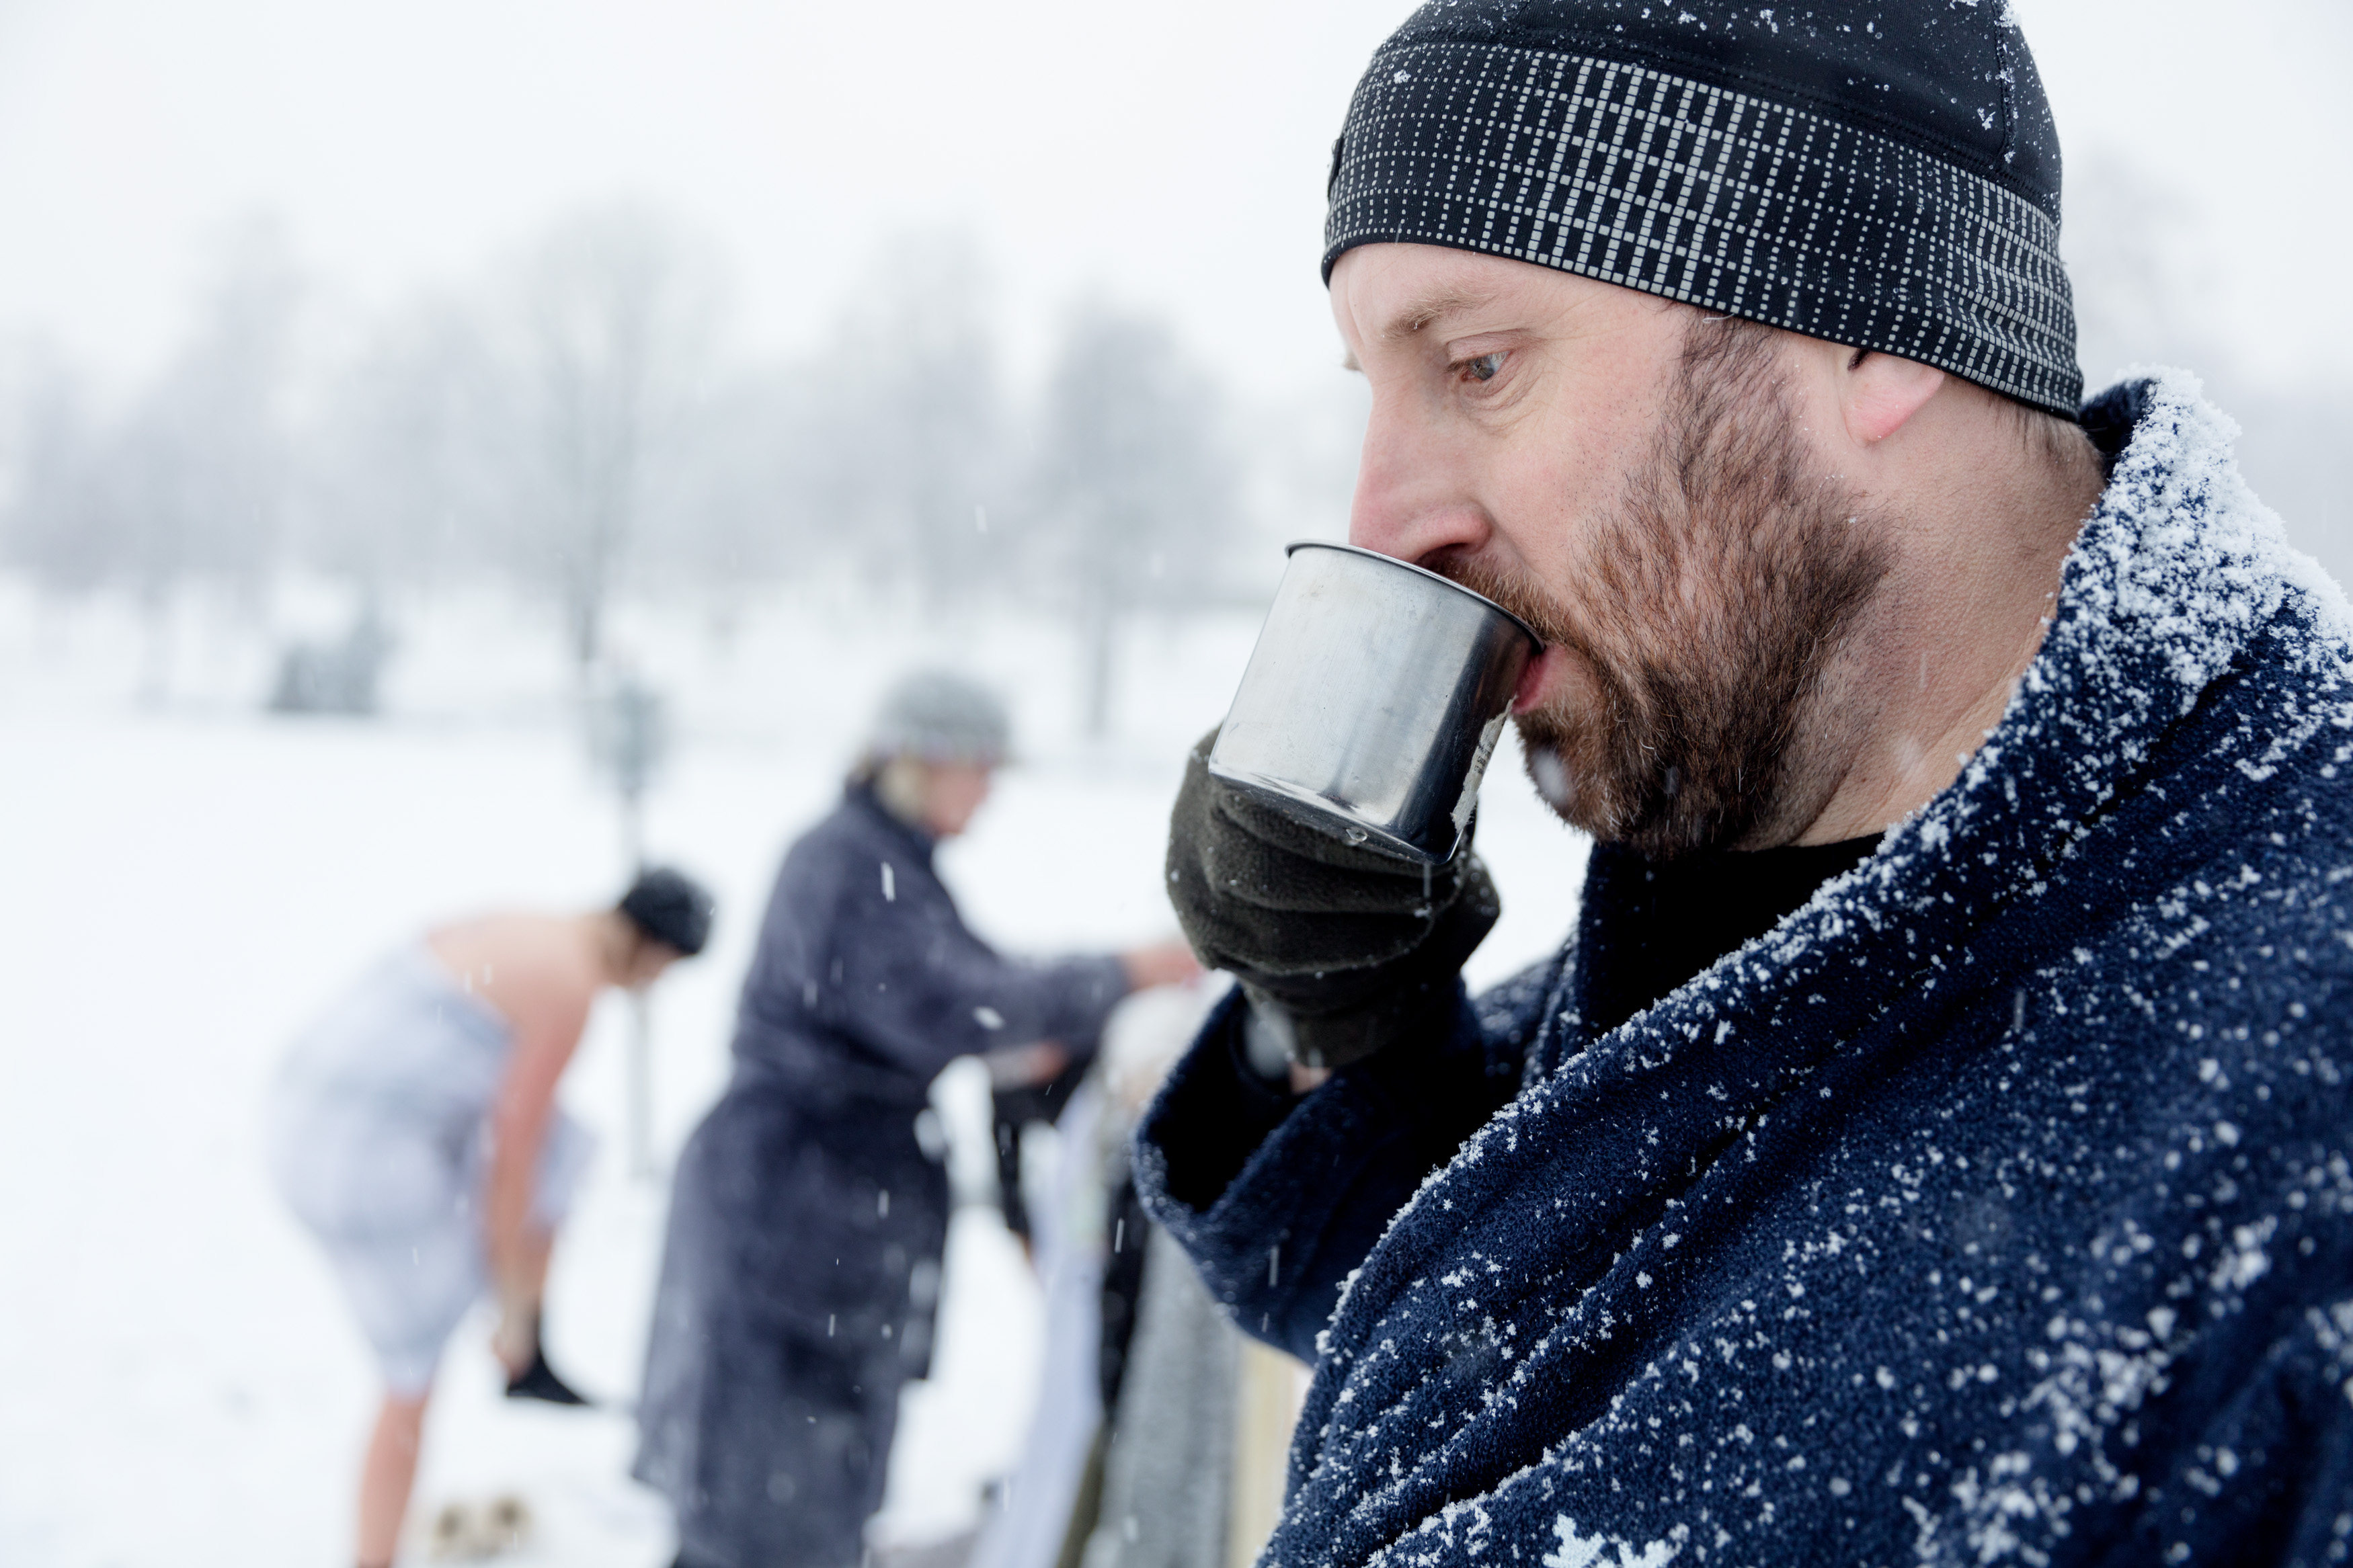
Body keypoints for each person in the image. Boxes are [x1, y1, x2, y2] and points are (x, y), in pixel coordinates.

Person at [1135, 3, 2353, 1565]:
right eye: (1374, 385)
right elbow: (1564, 1367)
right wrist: (1351, 1032)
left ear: (1872, 325)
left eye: (1480, 364)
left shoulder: (2295, 1097)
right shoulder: (1772, 829)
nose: (1386, 519)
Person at [634, 671, 1200, 1568]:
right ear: (922, 761)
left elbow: (978, 994)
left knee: (811, 1481)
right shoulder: (846, 865)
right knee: (763, 1482)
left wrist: (1055, 1018)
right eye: (981, 768)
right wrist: (1127, 972)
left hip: (832, 1200)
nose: (990, 791)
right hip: (795, 1200)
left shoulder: (891, 864)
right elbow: (955, 1004)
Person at [268, 866, 713, 1568]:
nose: (653, 990)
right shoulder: (569, 989)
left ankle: (527, 1343)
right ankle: (373, 1553)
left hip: (300, 1109)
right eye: (664, 973)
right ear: (653, 950)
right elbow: (514, 1162)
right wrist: (506, 1296)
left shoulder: (533, 927)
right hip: (354, 1156)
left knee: (572, 1145)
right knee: (411, 1373)